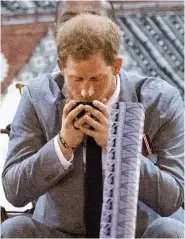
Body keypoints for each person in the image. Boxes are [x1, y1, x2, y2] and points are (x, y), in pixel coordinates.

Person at [1, 12, 184, 239]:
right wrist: (62, 145)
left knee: (172, 232)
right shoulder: (38, 96)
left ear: (116, 66)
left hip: (138, 233)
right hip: (61, 232)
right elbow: (14, 191)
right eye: (76, 79)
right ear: (61, 66)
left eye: (97, 79)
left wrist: (118, 146)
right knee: (14, 230)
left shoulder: (160, 100)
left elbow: (173, 199)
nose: (86, 91)